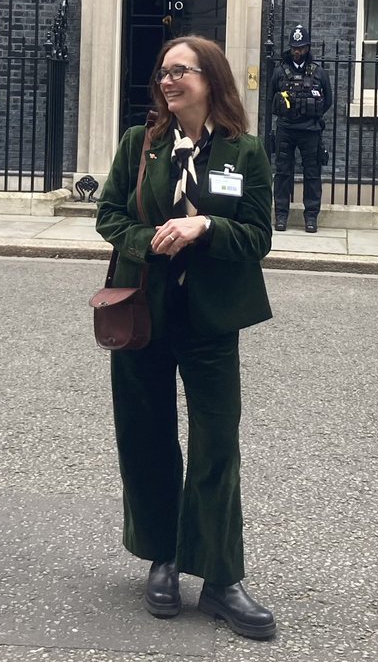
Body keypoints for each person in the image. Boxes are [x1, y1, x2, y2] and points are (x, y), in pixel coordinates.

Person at [95, 35, 276, 641]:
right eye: (163, 71)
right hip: (143, 313)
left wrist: (205, 226)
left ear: (210, 79)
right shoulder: (139, 144)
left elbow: (257, 236)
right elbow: (109, 216)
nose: (168, 81)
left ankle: (222, 577)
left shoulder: (242, 152)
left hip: (209, 320)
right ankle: (164, 559)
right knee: (146, 438)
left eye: (181, 72)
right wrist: (149, 241)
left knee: (216, 443)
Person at [268, 24, 332, 233]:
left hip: (310, 130)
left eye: (301, 47)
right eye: (294, 47)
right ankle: (281, 216)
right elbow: (270, 100)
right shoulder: (279, 72)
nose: (297, 51)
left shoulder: (318, 72)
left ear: (307, 48)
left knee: (312, 174)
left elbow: (328, 100)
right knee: (283, 173)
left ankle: (311, 217)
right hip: (286, 129)